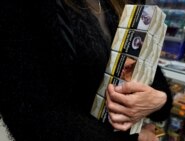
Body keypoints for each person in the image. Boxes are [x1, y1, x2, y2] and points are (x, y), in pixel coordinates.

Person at [0, 0, 173, 141]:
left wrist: (159, 99)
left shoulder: (115, 4)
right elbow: (33, 114)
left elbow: (151, 73)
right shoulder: (26, 7)